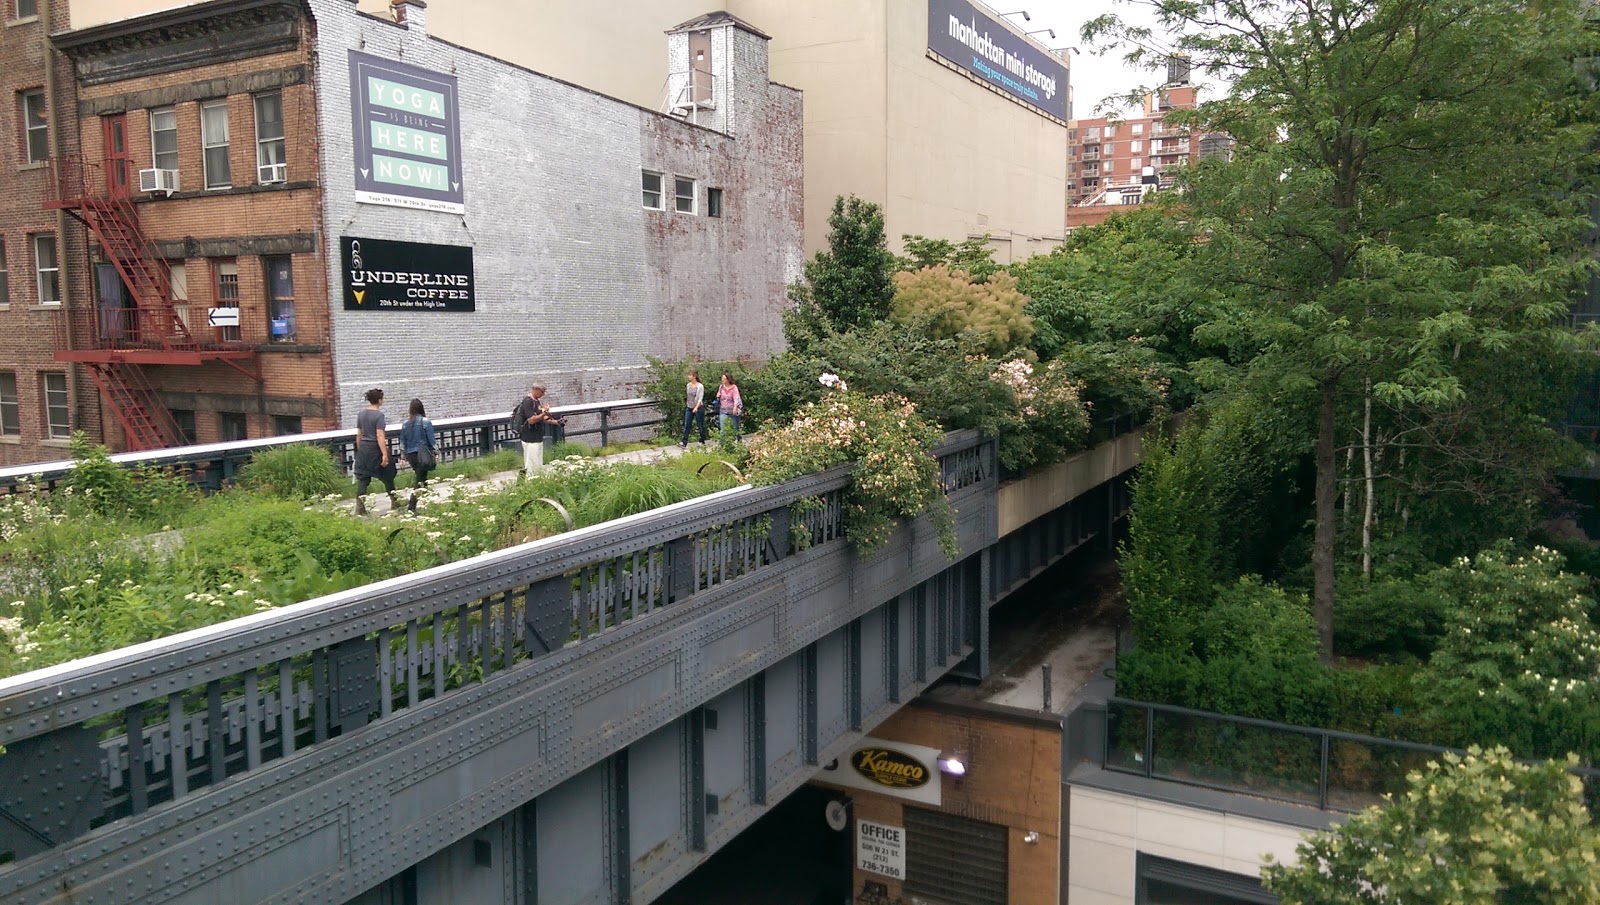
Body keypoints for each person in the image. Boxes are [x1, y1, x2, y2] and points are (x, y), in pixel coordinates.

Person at [353, 388, 397, 515]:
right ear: (379, 400)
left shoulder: (361, 414)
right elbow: (380, 436)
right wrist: (384, 454)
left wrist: (360, 449)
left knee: (363, 479)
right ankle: (395, 501)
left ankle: (360, 507)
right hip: (375, 449)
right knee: (388, 475)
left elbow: (359, 434)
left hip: (364, 449)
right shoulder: (379, 416)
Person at [398, 397, 437, 512]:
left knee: (422, 477)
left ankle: (428, 500)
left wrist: (402, 457)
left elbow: (402, 441)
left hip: (411, 455)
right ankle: (411, 506)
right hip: (422, 454)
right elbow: (431, 440)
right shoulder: (425, 422)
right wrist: (436, 452)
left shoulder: (405, 424)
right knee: (420, 480)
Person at [514, 383, 553, 475]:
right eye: (542, 391)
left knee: (538, 465)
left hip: (537, 437)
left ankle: (536, 481)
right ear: (535, 389)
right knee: (531, 464)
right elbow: (531, 420)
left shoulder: (536, 402)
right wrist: (544, 413)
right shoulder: (527, 402)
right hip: (529, 438)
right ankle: (528, 483)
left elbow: (543, 418)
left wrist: (556, 421)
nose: (543, 394)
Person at [680, 369, 707, 448]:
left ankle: (702, 440)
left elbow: (700, 398)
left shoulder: (700, 386)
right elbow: (688, 396)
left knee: (700, 425)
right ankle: (684, 442)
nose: (688, 377)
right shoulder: (688, 385)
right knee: (687, 424)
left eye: (690, 375)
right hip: (689, 407)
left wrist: (696, 407)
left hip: (698, 408)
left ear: (694, 376)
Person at [715, 372, 743, 439]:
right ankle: (722, 446)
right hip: (723, 410)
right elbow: (718, 396)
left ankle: (739, 442)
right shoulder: (721, 387)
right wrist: (718, 396)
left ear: (728, 379)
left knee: (736, 428)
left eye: (724, 379)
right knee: (723, 430)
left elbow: (736, 398)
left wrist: (735, 407)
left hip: (732, 410)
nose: (722, 380)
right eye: (722, 378)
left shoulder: (734, 388)